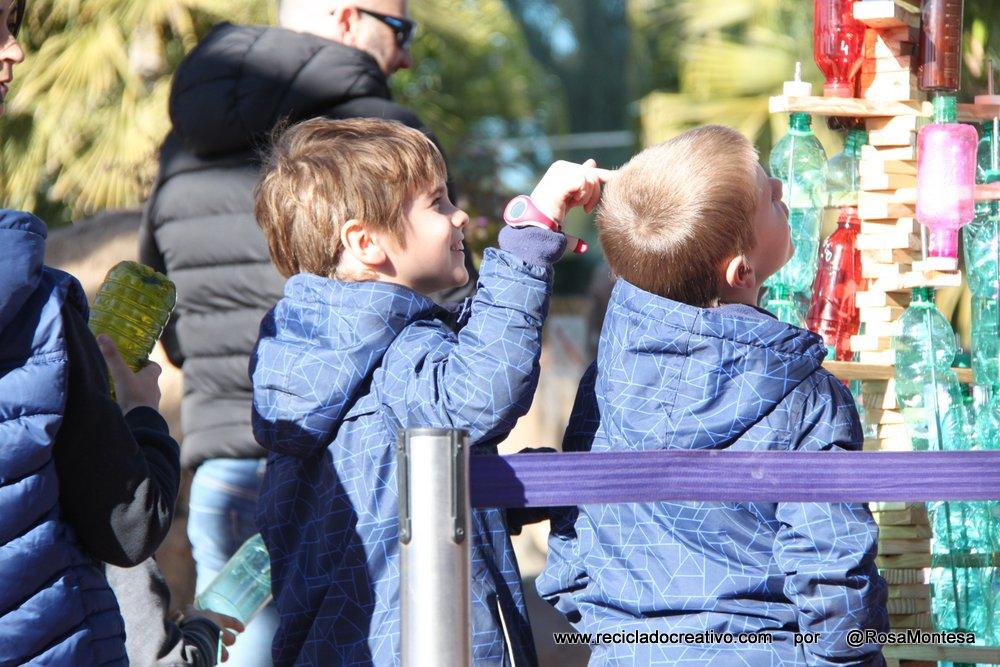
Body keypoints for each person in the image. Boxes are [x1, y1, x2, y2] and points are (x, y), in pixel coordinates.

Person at [136, 4, 471, 661]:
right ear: (349, 18)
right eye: (401, 32)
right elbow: (458, 311)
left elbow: (159, 306)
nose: (403, 57)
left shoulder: (183, 145)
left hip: (226, 454)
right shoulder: (385, 140)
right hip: (369, 469)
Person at [250, 117, 609, 665]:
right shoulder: (396, 349)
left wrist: (503, 490)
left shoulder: (321, 358)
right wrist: (530, 235)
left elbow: (387, 502)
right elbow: (481, 392)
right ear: (365, 242)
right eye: (437, 203)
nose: (459, 214)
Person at [537, 126, 889, 665]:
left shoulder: (606, 380)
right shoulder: (806, 396)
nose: (781, 189)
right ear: (740, 271)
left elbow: (575, 526)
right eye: (769, 197)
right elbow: (834, 575)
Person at [0, 5, 240, 663]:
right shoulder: (36, 304)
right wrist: (139, 409)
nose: (15, 51)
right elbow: (127, 523)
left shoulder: (171, 193)